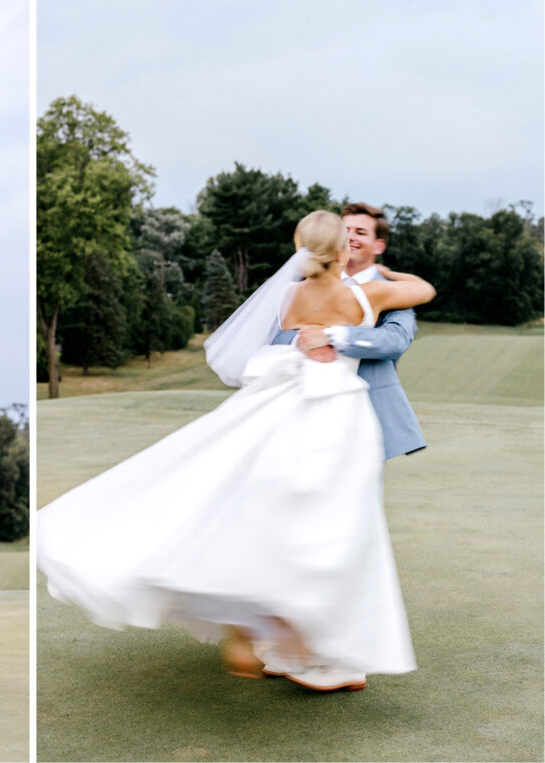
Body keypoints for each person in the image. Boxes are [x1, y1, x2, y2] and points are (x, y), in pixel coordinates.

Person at [36, 210, 436, 692]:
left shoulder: (287, 296)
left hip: (283, 409)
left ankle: (269, 627)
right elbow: (424, 289)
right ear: (340, 249)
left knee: (256, 507)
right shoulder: (366, 295)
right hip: (339, 415)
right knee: (332, 527)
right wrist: (384, 280)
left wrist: (327, 329)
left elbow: (266, 346)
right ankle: (294, 635)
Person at [276, 202, 425, 459]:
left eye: (361, 232)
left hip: (367, 415)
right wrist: (304, 341)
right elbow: (276, 337)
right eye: (346, 231)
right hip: (300, 406)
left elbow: (395, 341)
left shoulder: (392, 291)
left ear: (378, 245)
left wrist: (334, 336)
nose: (351, 238)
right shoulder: (299, 287)